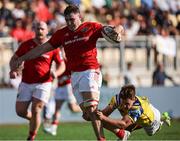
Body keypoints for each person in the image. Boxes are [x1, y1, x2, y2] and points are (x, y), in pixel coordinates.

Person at [10, 5, 124, 140]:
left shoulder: (91, 27)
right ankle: (120, 133)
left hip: (90, 71)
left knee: (92, 109)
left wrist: (118, 30)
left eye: (72, 19)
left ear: (79, 17)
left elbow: (116, 28)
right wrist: (22, 58)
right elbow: (41, 49)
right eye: (67, 20)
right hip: (75, 75)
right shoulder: (61, 34)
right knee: (88, 115)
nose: (70, 23)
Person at [9, 21, 65, 141]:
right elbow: (14, 58)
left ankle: (31, 137)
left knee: (36, 109)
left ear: (47, 30)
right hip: (26, 82)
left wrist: (56, 73)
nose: (40, 31)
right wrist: (13, 70)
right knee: (20, 111)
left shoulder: (52, 47)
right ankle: (34, 120)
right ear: (34, 29)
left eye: (42, 29)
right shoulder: (26, 45)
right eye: (38, 29)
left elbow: (62, 65)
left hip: (44, 83)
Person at [94, 84, 171, 140]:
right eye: (123, 103)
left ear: (133, 100)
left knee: (151, 132)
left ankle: (163, 118)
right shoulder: (117, 99)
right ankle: (124, 134)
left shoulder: (137, 108)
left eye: (127, 104)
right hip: (139, 117)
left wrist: (103, 117)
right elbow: (104, 113)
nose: (124, 106)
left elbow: (123, 124)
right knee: (102, 120)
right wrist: (92, 114)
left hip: (152, 119)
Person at [43, 64, 81, 136]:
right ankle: (53, 129)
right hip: (59, 86)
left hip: (68, 86)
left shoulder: (66, 59)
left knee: (72, 108)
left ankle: (86, 109)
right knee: (57, 108)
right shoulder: (56, 58)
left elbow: (73, 70)